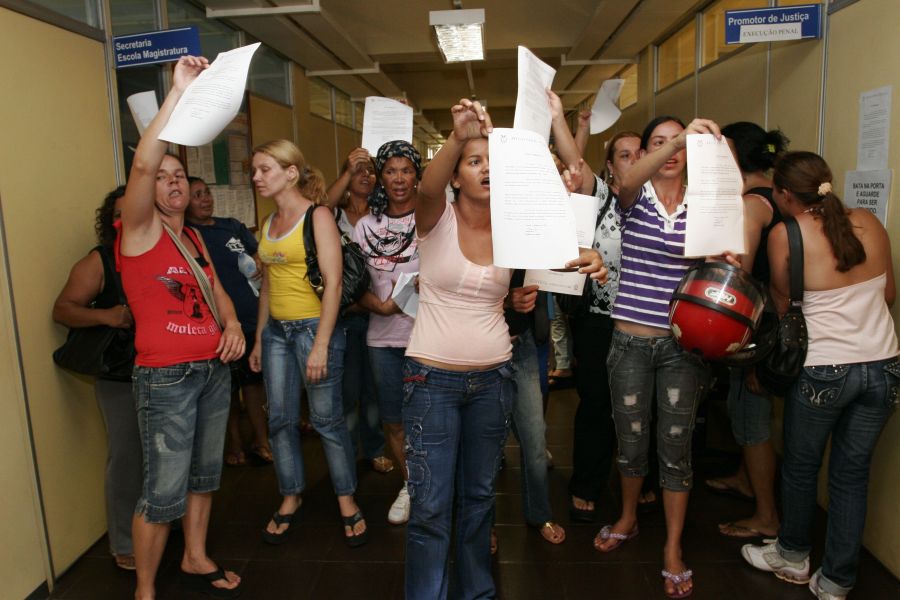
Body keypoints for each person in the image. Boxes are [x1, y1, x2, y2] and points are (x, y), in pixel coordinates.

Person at [404, 99, 603, 599]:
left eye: (492, 162)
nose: (485, 169)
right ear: (456, 176)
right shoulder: (435, 217)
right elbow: (427, 186)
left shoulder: (515, 226)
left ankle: (477, 593)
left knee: (477, 501)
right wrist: (457, 137)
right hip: (432, 381)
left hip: (494, 378)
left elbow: (563, 249)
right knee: (430, 507)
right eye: (474, 162)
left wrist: (590, 254)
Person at [742, 151, 898, 600]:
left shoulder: (786, 234)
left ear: (786, 194)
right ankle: (837, 580)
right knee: (852, 474)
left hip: (824, 371)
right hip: (883, 368)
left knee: (802, 467)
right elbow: (887, 295)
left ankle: (792, 556)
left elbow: (782, 305)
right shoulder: (869, 221)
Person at [118, 55, 245, 600]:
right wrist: (176, 95)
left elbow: (215, 291)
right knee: (162, 490)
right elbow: (143, 168)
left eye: (179, 177)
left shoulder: (192, 239)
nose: (170, 183)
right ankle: (146, 589)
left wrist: (234, 323)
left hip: (212, 369)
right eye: (163, 177)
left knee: (203, 476)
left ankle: (194, 556)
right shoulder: (138, 230)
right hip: (166, 378)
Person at [593, 115, 722, 599]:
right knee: (631, 442)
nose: (671, 151)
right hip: (629, 341)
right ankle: (627, 518)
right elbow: (625, 177)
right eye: (660, 143)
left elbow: (726, 265)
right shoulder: (634, 197)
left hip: (682, 347)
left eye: (678, 143)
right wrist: (687, 133)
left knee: (676, 448)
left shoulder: (704, 203)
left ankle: (672, 547)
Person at [248, 139, 368, 548]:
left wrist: (320, 345)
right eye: (255, 170)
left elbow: (333, 284)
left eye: (265, 169)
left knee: (327, 420)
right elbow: (266, 286)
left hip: (313, 328)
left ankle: (346, 499)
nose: (256, 177)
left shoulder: (317, 217)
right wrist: (261, 339)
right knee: (279, 419)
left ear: (290, 173)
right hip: (278, 332)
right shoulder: (267, 224)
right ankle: (290, 495)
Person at [705, 122, 789, 539]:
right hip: (779, 323)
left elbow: (736, 274)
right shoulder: (776, 195)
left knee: (750, 418)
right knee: (749, 413)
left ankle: (767, 515)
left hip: (758, 329)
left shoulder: (749, 206)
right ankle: (744, 478)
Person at [53, 186, 141, 572]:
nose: (126, 221)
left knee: (164, 457)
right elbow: (63, 309)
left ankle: (155, 526)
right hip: (121, 377)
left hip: (167, 373)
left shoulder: (164, 253)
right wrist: (107, 316)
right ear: (109, 223)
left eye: (134, 212)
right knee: (127, 460)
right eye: (118, 215)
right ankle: (124, 540)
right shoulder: (100, 261)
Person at [352, 140, 422, 525]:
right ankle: (411, 484)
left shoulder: (430, 219)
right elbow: (351, 280)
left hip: (426, 337)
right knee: (394, 420)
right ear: (381, 177)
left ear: (417, 175)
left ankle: (434, 485)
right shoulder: (367, 225)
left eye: (406, 170)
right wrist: (377, 306)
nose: (398, 178)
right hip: (381, 340)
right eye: (391, 171)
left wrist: (393, 304)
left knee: (429, 419)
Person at [186, 177, 272, 468]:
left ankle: (262, 440)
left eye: (206, 193)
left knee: (253, 383)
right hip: (217, 325)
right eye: (197, 195)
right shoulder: (188, 234)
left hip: (249, 317)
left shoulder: (231, 225)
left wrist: (259, 261)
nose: (205, 199)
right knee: (226, 389)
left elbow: (256, 251)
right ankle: (235, 444)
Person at [325, 149, 393, 475]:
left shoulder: (383, 215)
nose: (365, 176)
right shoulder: (332, 216)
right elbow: (319, 206)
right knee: (347, 390)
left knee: (374, 389)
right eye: (358, 171)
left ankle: (376, 448)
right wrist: (346, 170)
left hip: (379, 312)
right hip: (347, 314)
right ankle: (348, 454)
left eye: (370, 171)